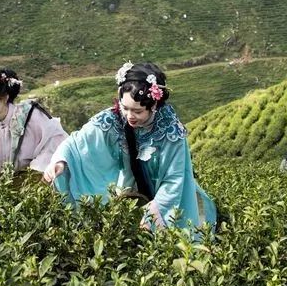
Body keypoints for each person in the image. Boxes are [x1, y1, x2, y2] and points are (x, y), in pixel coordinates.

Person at [43, 62, 217, 235]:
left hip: (164, 198)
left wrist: (156, 209)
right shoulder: (113, 118)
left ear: (154, 106)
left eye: (138, 111)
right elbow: (76, 143)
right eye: (125, 108)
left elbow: (175, 178)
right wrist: (60, 161)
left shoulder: (170, 131)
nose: (130, 116)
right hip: (127, 195)